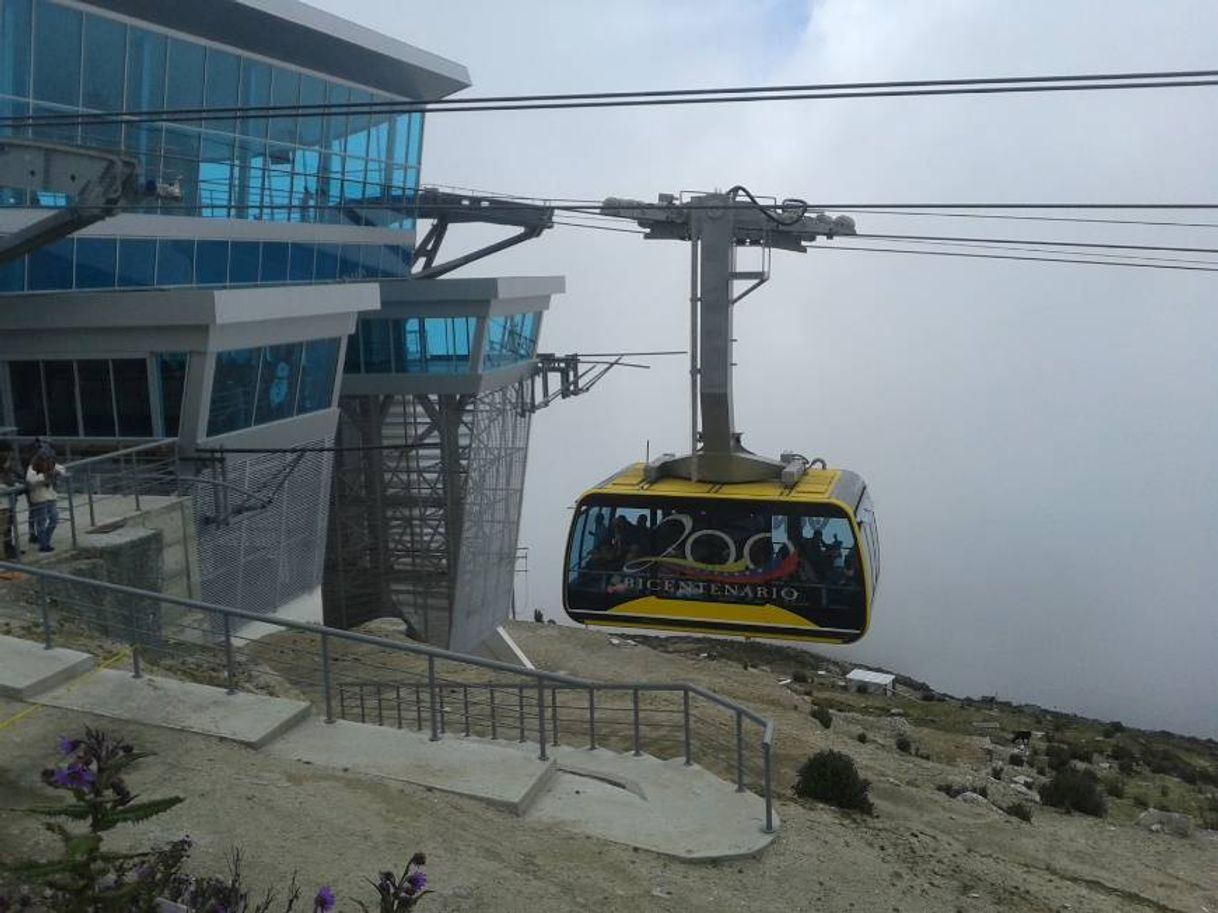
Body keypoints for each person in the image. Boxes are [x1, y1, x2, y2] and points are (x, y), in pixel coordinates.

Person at [26, 447, 67, 553]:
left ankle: (45, 540)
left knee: (54, 519)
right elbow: (30, 479)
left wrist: (56, 473)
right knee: (41, 523)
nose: (48, 460)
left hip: (51, 496)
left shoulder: (52, 464)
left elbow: (62, 469)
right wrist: (44, 476)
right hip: (39, 499)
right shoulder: (33, 467)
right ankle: (43, 544)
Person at [0, 449, 17, 559]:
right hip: (3, 506)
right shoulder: (4, 475)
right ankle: (2, 557)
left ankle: (4, 555)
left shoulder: (7, 473)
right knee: (2, 532)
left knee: (4, 531)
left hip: (6, 505)